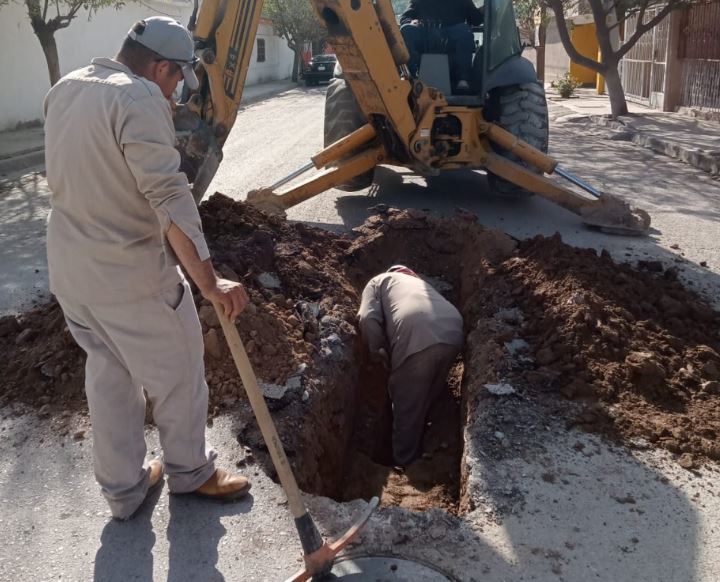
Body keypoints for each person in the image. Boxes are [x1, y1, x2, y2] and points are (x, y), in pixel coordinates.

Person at [43, 16, 252, 521]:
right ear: (160, 67)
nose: (177, 90)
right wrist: (208, 282)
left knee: (110, 376)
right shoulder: (138, 99)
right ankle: (190, 472)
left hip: (72, 273)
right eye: (177, 78)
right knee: (179, 369)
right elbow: (169, 197)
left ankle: (124, 490)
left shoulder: (65, 88)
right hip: (129, 276)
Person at [357, 266, 464, 466]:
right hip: (454, 330)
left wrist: (377, 351)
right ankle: (427, 439)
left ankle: (405, 465)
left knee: (407, 411)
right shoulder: (421, 285)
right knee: (425, 398)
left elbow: (366, 317)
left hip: (418, 332)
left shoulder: (379, 280)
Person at [400, 0, 483, 93]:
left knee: (464, 31)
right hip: (426, 37)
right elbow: (405, 17)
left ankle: (463, 78)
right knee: (407, 30)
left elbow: (476, 19)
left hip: (451, 38)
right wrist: (411, 21)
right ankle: (411, 75)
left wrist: (484, 10)